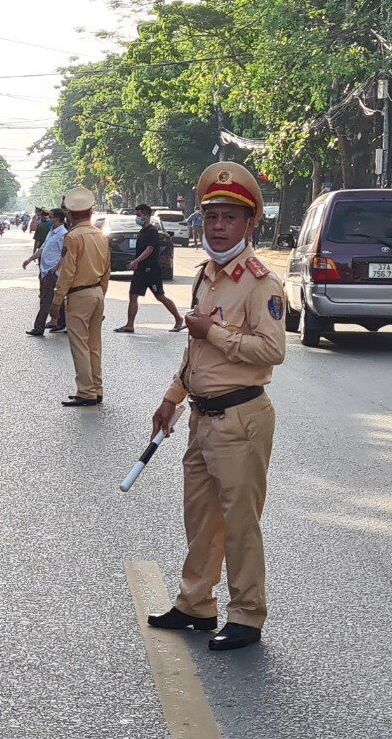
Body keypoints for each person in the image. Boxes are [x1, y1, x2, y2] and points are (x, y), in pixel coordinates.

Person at [144, 162, 287, 653]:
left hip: (242, 418)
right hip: (201, 416)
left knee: (240, 521)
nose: (219, 226)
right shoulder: (206, 275)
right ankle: (196, 604)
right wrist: (171, 397)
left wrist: (215, 332)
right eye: (211, 217)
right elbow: (195, 353)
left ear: (250, 224)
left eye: (229, 217)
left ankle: (247, 615)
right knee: (200, 517)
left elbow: (272, 351)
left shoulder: (260, 282)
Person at [54, 189, 109, 405]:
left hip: (79, 295)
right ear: (90, 212)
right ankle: (97, 388)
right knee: (95, 345)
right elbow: (107, 269)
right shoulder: (100, 235)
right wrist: (101, 294)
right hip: (97, 292)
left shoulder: (73, 237)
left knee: (79, 345)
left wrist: (57, 301)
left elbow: (67, 272)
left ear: (70, 215)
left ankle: (86, 392)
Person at [120, 204, 183, 334]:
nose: (137, 218)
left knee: (160, 296)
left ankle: (178, 319)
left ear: (147, 216)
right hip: (140, 270)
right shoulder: (142, 231)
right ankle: (129, 325)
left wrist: (136, 261)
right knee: (133, 295)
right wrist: (136, 263)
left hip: (151, 270)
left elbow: (150, 249)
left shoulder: (152, 231)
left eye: (139, 215)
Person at [26, 207, 69, 336]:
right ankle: (62, 323)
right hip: (45, 271)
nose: (48, 219)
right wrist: (30, 259)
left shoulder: (63, 234)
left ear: (57, 218)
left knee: (46, 300)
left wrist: (56, 268)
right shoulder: (52, 232)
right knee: (57, 299)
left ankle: (38, 328)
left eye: (51, 217)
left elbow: (65, 254)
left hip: (52, 272)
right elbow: (42, 249)